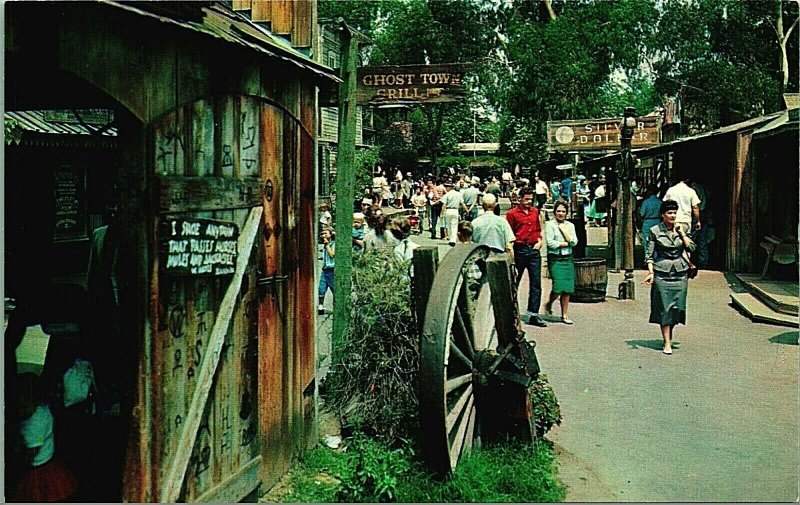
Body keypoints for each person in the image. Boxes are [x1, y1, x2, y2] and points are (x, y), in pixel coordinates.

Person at [11, 374, 78, 502]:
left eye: (24, 405)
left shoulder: (37, 422)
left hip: (40, 467)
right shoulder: (41, 410)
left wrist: (17, 466)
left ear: (36, 400)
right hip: (45, 461)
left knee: (40, 496)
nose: (20, 409)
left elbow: (32, 451)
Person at [643, 200, 696, 355]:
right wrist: (651, 272)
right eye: (669, 213)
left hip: (680, 273)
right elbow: (649, 255)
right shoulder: (654, 231)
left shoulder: (683, 229)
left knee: (677, 308)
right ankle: (667, 342)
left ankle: (669, 334)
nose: (672, 216)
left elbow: (691, 247)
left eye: (674, 213)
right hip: (662, 272)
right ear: (662, 215)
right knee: (664, 308)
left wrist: (681, 233)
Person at [506, 188, 547, 327]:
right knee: (514, 282)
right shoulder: (512, 214)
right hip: (520, 250)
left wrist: (540, 241)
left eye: (531, 199)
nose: (529, 202)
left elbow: (539, 229)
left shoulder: (535, 212)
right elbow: (509, 234)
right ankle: (510, 313)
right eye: (526, 199)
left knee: (536, 283)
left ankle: (533, 314)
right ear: (520, 199)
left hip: (534, 250)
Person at [543, 200, 579, 324]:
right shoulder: (549, 225)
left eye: (563, 211)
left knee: (567, 288)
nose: (561, 213)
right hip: (555, 259)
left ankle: (564, 314)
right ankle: (549, 303)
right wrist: (566, 243)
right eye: (558, 211)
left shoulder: (570, 225)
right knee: (558, 286)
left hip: (567, 258)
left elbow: (575, 242)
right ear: (554, 212)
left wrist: (566, 235)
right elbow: (551, 243)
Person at [689, 180, 713, 267]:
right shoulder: (703, 188)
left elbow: (695, 206)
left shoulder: (692, 189)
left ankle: (689, 259)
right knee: (702, 240)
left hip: (696, 214)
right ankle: (703, 260)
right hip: (703, 213)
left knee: (690, 237)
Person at [441, 181, 464, 245]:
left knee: (448, 225)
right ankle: (453, 240)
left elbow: (444, 205)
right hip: (455, 210)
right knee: (454, 225)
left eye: (447, 187)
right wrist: (466, 210)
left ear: (450, 187)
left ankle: (451, 239)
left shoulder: (447, 194)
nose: (446, 188)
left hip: (448, 210)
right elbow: (462, 203)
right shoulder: (459, 194)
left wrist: (442, 213)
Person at [318, 228, 335, 314]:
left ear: (331, 234)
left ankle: (336, 305)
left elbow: (332, 254)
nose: (323, 235)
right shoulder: (325, 245)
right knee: (321, 288)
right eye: (322, 234)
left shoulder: (334, 244)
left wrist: (327, 245)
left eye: (325, 233)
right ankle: (320, 305)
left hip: (332, 269)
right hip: (325, 269)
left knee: (334, 288)